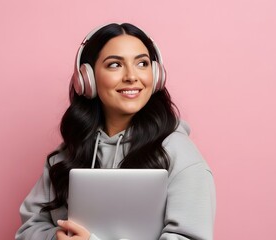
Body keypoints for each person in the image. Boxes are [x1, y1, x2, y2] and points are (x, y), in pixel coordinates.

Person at [15, 23, 216, 240]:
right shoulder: (68, 153)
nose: (131, 76)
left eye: (142, 63)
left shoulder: (180, 153)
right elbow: (28, 229)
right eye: (114, 65)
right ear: (88, 79)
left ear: (156, 75)